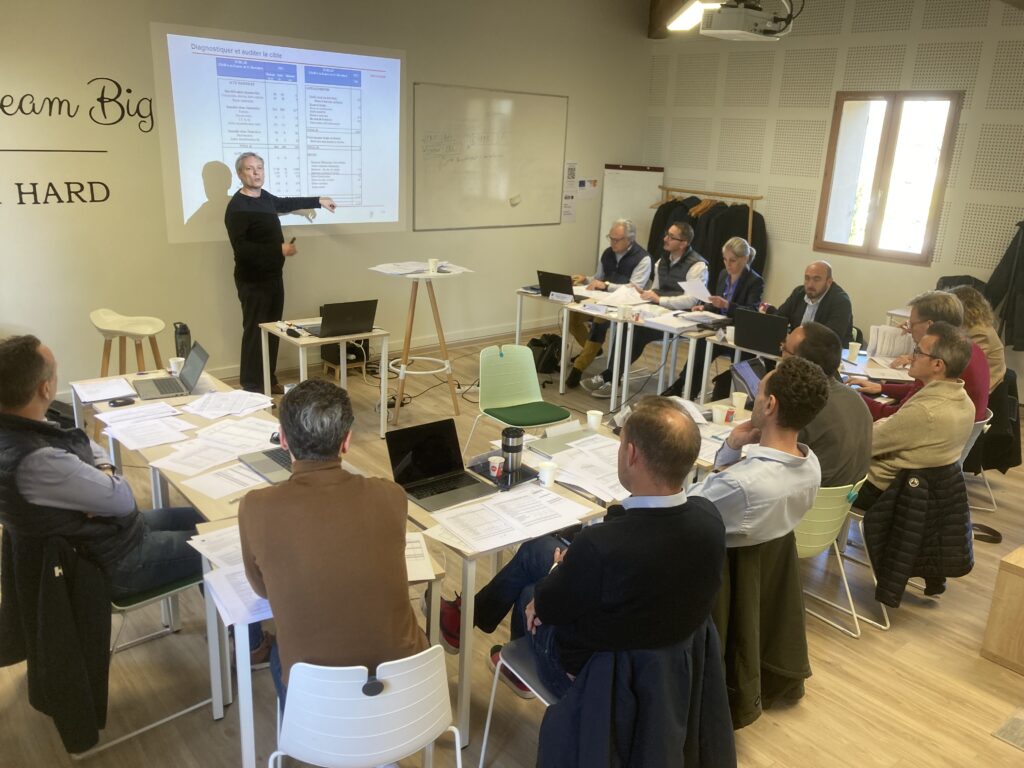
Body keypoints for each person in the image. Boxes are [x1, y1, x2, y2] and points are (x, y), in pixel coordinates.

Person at [0, 335, 274, 664]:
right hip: (116, 561)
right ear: (45, 389)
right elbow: (122, 498)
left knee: (205, 518)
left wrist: (98, 468)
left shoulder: (17, 432)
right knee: (225, 540)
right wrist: (104, 473)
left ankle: (233, 626)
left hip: (103, 537)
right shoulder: (38, 460)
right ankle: (251, 646)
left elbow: (86, 445)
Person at [439, 397, 725, 699]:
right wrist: (568, 566)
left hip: (588, 674)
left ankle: (502, 653)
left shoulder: (602, 545)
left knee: (528, 593)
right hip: (660, 670)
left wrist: (557, 573)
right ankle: (470, 617)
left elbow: (549, 604)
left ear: (630, 454)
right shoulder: (709, 519)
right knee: (537, 549)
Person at [239, 379, 427, 707]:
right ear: (347, 441)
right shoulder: (391, 496)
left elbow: (262, 589)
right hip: (406, 690)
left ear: (283, 440)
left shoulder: (255, 506)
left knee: (279, 653)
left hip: (319, 699)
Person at [225, 152, 337, 394]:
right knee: (255, 332)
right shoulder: (237, 207)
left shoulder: (264, 198)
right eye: (250, 169)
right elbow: (242, 249)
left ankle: (267, 378)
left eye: (260, 168)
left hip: (274, 276)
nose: (256, 173)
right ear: (240, 174)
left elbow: (285, 203)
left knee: (273, 330)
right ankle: (252, 385)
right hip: (252, 280)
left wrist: (319, 200)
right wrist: (279, 248)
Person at [689, 356, 828, 547]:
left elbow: (684, 509)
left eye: (758, 392)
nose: (754, 399)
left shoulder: (740, 484)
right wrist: (733, 445)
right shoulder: (812, 466)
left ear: (770, 405)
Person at [852, 322, 976, 513]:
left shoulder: (925, 411)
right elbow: (895, 429)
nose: (912, 357)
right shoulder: (964, 402)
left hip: (883, 493)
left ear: (937, 364)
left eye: (918, 352)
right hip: (919, 494)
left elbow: (865, 444)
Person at [581, 223, 712, 398]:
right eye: (666, 234)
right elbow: (657, 289)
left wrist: (659, 299)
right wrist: (647, 295)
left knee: (637, 333)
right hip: (661, 313)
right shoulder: (661, 261)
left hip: (684, 319)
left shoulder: (697, 266)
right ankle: (612, 377)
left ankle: (610, 377)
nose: (665, 239)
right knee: (628, 327)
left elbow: (692, 299)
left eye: (671, 237)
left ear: (683, 243)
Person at [847, 290, 988, 421]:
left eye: (912, 324)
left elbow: (894, 417)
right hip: (957, 439)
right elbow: (921, 390)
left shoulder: (935, 362)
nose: (908, 329)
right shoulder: (970, 349)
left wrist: (851, 396)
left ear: (929, 325)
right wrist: (882, 388)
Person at [657, 236, 765, 399]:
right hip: (718, 327)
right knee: (699, 348)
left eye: (733, 261)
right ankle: (685, 388)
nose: (728, 264)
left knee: (736, 359)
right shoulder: (723, 274)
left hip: (738, 333)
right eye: (725, 259)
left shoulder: (755, 281)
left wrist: (727, 305)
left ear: (745, 259)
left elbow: (752, 311)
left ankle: (710, 391)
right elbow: (716, 303)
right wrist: (705, 306)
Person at [781, 322, 872, 487]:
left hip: (805, 503)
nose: (780, 355)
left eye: (785, 350)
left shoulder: (804, 405)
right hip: (839, 505)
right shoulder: (855, 398)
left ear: (798, 363)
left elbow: (771, 462)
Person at [564, 218, 652, 388]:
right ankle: (595, 351)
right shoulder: (607, 253)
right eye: (610, 238)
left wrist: (606, 286)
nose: (612, 242)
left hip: (624, 306)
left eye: (617, 239)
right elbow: (599, 278)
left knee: (598, 322)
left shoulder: (643, 259)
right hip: (601, 299)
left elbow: (635, 289)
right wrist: (585, 279)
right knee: (573, 319)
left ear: (630, 239)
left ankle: (578, 368)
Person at [763, 261, 854, 345]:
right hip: (797, 351)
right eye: (807, 278)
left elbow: (831, 339)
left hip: (827, 354)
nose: (810, 285)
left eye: (816, 279)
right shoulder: (799, 293)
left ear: (829, 282)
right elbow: (779, 319)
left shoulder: (841, 301)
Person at [948, 285, 1005, 393]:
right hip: (972, 382)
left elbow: (961, 364)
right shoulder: (971, 325)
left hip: (980, 389)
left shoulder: (980, 333)